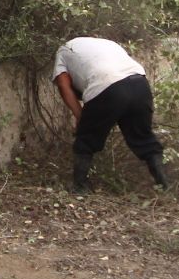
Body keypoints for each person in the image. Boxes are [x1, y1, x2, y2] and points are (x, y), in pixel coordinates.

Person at [52, 37, 169, 194]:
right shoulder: (107, 43)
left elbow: (63, 84)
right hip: (140, 84)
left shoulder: (64, 50)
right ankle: (164, 185)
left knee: (86, 139)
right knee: (144, 138)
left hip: (106, 85)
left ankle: (80, 187)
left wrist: (80, 116)